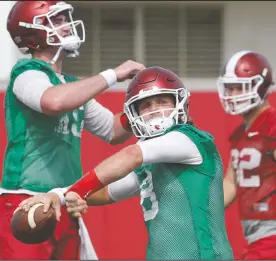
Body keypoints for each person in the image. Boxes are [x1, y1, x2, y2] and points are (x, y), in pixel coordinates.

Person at [18, 66, 234, 260]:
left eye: (162, 101)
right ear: (133, 114)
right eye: (146, 105)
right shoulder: (151, 164)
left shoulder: (190, 139)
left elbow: (131, 156)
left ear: (180, 103)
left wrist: (77, 190)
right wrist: (60, 195)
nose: (155, 109)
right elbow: (107, 191)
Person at [0, 1, 145, 260]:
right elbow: (53, 101)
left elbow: (112, 130)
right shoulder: (26, 72)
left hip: (63, 201)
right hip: (26, 198)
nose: (66, 25)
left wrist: (144, 107)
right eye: (58, 19)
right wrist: (112, 75)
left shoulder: (71, 86)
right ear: (35, 29)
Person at [217, 50, 276, 260]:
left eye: (239, 87)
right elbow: (232, 183)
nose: (233, 95)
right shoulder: (239, 134)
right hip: (256, 234)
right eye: (230, 88)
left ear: (260, 86)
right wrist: (203, 209)